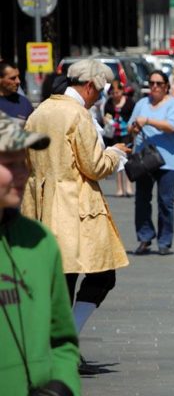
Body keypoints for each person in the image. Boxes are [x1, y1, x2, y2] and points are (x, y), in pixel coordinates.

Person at [23, 59, 130, 375]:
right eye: (100, 91)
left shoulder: (39, 111)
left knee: (60, 279)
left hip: (40, 204)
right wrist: (116, 153)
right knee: (100, 275)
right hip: (74, 207)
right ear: (90, 86)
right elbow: (94, 166)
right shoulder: (77, 115)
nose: (99, 98)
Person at [0, 111, 81, 396]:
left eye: (25, 161)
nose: (25, 173)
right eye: (11, 163)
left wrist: (62, 385)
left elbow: (63, 340)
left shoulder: (40, 240)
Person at [128, 70, 174, 255]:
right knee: (142, 200)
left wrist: (148, 121)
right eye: (151, 83)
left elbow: (172, 126)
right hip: (144, 160)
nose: (154, 87)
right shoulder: (142, 103)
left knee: (165, 201)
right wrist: (135, 126)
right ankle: (145, 237)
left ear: (166, 86)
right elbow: (130, 125)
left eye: (159, 83)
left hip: (168, 160)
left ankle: (165, 241)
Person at [103, 79, 135, 197]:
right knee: (117, 161)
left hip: (127, 134)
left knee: (127, 159)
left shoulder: (130, 102)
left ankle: (129, 186)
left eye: (118, 92)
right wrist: (107, 120)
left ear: (122, 91)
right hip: (114, 134)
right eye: (113, 93)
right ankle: (119, 188)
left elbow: (134, 116)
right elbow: (106, 116)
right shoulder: (109, 103)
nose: (115, 95)